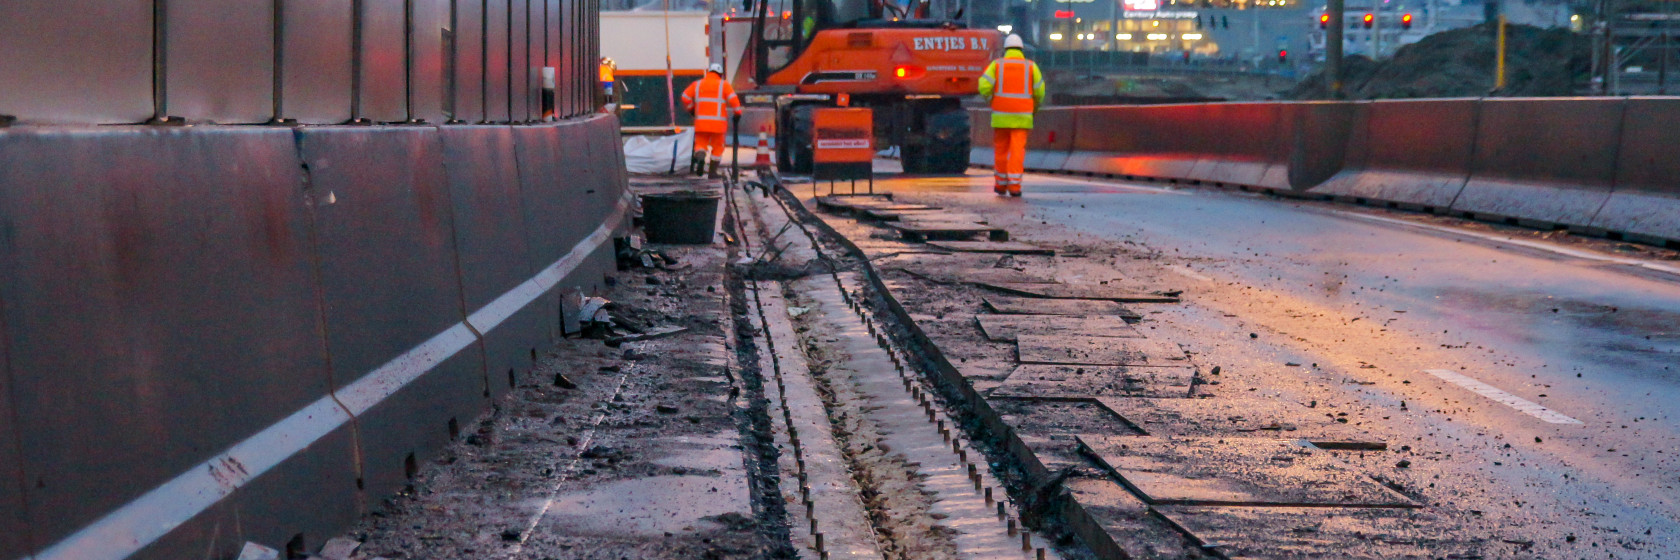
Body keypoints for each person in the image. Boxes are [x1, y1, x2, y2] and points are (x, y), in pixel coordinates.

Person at [977, 34, 1046, 197]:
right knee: (1017, 151)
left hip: (1001, 117)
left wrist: (990, 100)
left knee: (1000, 151)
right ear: (1021, 50)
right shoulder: (1031, 67)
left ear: (1005, 49)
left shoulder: (997, 65)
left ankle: (1000, 185)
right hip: (1022, 118)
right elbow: (1040, 92)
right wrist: (1034, 108)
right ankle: (1014, 187)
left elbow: (983, 86)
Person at [680, 63, 744, 178]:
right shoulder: (724, 85)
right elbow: (734, 100)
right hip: (718, 125)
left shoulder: (698, 84)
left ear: (708, 72)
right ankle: (712, 172)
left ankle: (700, 157)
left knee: (700, 144)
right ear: (720, 74)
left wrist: (692, 109)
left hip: (701, 124)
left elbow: (685, 97)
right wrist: (738, 113)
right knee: (718, 147)